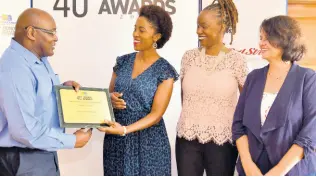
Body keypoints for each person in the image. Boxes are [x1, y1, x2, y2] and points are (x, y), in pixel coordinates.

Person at [0, 8, 92, 176]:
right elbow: (24, 130)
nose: (56, 38)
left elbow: (37, 97)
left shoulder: (38, 59)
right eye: (51, 33)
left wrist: (63, 91)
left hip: (40, 154)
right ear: (31, 33)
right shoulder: (15, 67)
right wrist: (73, 141)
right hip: (24, 160)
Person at [97, 5, 178, 176]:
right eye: (135, 29)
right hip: (116, 142)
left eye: (141, 30)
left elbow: (156, 114)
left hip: (149, 144)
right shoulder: (122, 62)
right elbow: (108, 94)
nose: (135, 34)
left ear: (156, 36)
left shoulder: (165, 71)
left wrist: (125, 130)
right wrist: (109, 98)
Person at [232, 15, 316, 176]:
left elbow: (311, 132)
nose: (261, 43)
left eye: (268, 38)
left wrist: (278, 171)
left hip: (293, 171)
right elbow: (238, 126)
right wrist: (248, 165)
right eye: (261, 38)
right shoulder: (253, 77)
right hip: (252, 170)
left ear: (286, 39)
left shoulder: (308, 78)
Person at [175, 0, 248, 175]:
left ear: (222, 26)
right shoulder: (188, 57)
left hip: (223, 142)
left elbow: (247, 105)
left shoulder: (237, 60)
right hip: (186, 140)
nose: (198, 31)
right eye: (197, 26)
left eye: (204, 26)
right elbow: (184, 97)